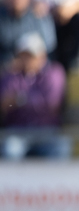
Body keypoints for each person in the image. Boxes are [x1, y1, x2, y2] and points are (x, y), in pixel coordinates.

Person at [0, 32, 70, 160]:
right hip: (17, 131)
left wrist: (19, 99)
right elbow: (5, 104)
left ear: (42, 56)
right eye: (23, 55)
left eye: (31, 55)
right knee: (10, 150)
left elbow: (51, 104)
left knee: (61, 148)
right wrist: (34, 98)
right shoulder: (10, 75)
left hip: (47, 132)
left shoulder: (54, 72)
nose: (26, 59)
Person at [0, 0, 56, 66]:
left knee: (55, 75)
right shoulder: (2, 15)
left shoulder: (39, 14)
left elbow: (49, 46)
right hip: (8, 69)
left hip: (37, 68)